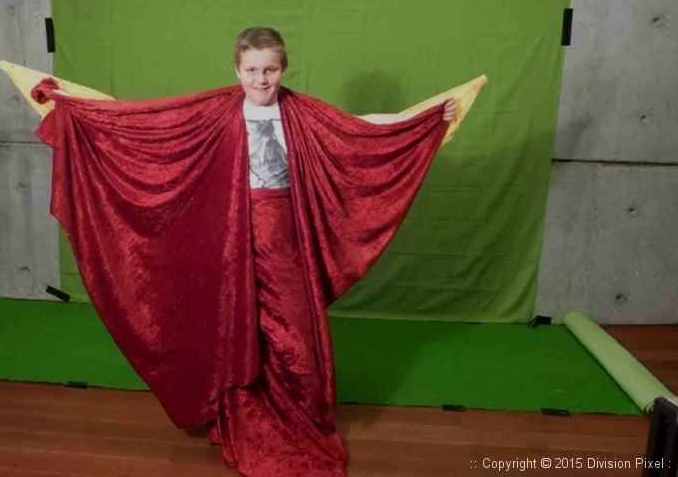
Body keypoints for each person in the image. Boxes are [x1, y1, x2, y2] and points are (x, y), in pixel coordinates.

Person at [25, 27, 467, 477]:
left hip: (282, 236)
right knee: (234, 323)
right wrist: (72, 106)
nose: (261, 79)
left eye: (270, 69)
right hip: (227, 235)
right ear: (237, 70)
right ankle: (242, 419)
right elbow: (141, 121)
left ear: (284, 69)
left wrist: (426, 117)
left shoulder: (302, 113)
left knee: (292, 330)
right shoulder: (217, 110)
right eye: (252, 70)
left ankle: (295, 424)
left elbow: (361, 128)